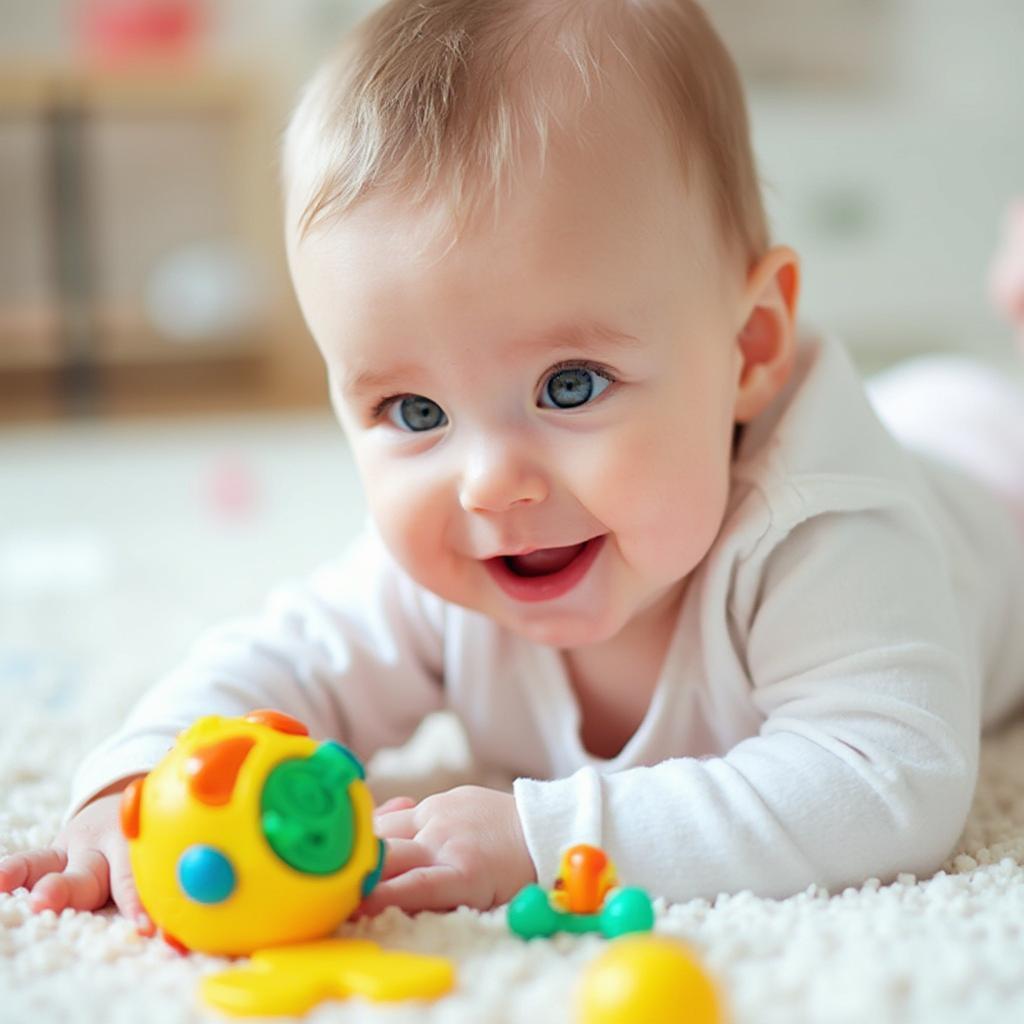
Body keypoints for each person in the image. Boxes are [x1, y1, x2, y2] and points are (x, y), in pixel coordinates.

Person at [3, 0, 1024, 931]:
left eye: (569, 385)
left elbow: (889, 782)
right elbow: (280, 659)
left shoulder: (825, 534)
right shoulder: (445, 565)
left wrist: (547, 835)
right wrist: (138, 779)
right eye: (414, 411)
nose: (488, 482)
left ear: (749, 348)